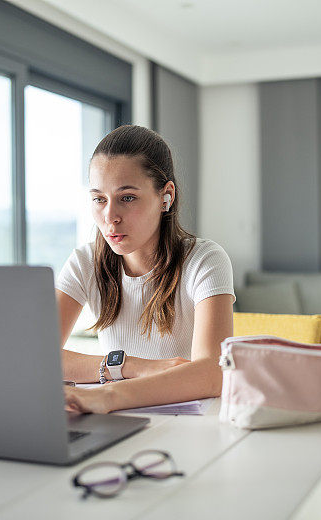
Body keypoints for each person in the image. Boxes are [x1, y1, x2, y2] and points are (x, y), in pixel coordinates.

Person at [56, 125, 235, 414]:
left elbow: (213, 375)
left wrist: (110, 395)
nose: (110, 217)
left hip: (189, 426)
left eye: (127, 197)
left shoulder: (205, 260)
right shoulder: (84, 262)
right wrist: (128, 366)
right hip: (114, 420)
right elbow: (33, 358)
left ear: (166, 196)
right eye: (99, 199)